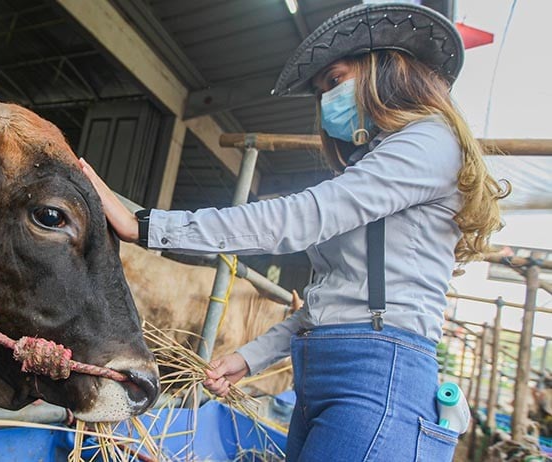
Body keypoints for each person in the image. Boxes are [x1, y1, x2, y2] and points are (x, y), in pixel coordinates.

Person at [79, 3, 507, 461]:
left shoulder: (429, 141)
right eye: (321, 90)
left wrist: (146, 225)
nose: (326, 101)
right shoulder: (378, 166)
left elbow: (303, 217)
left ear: (383, 67)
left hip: (379, 382)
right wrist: (252, 356)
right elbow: (334, 302)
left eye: (335, 81)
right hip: (326, 379)